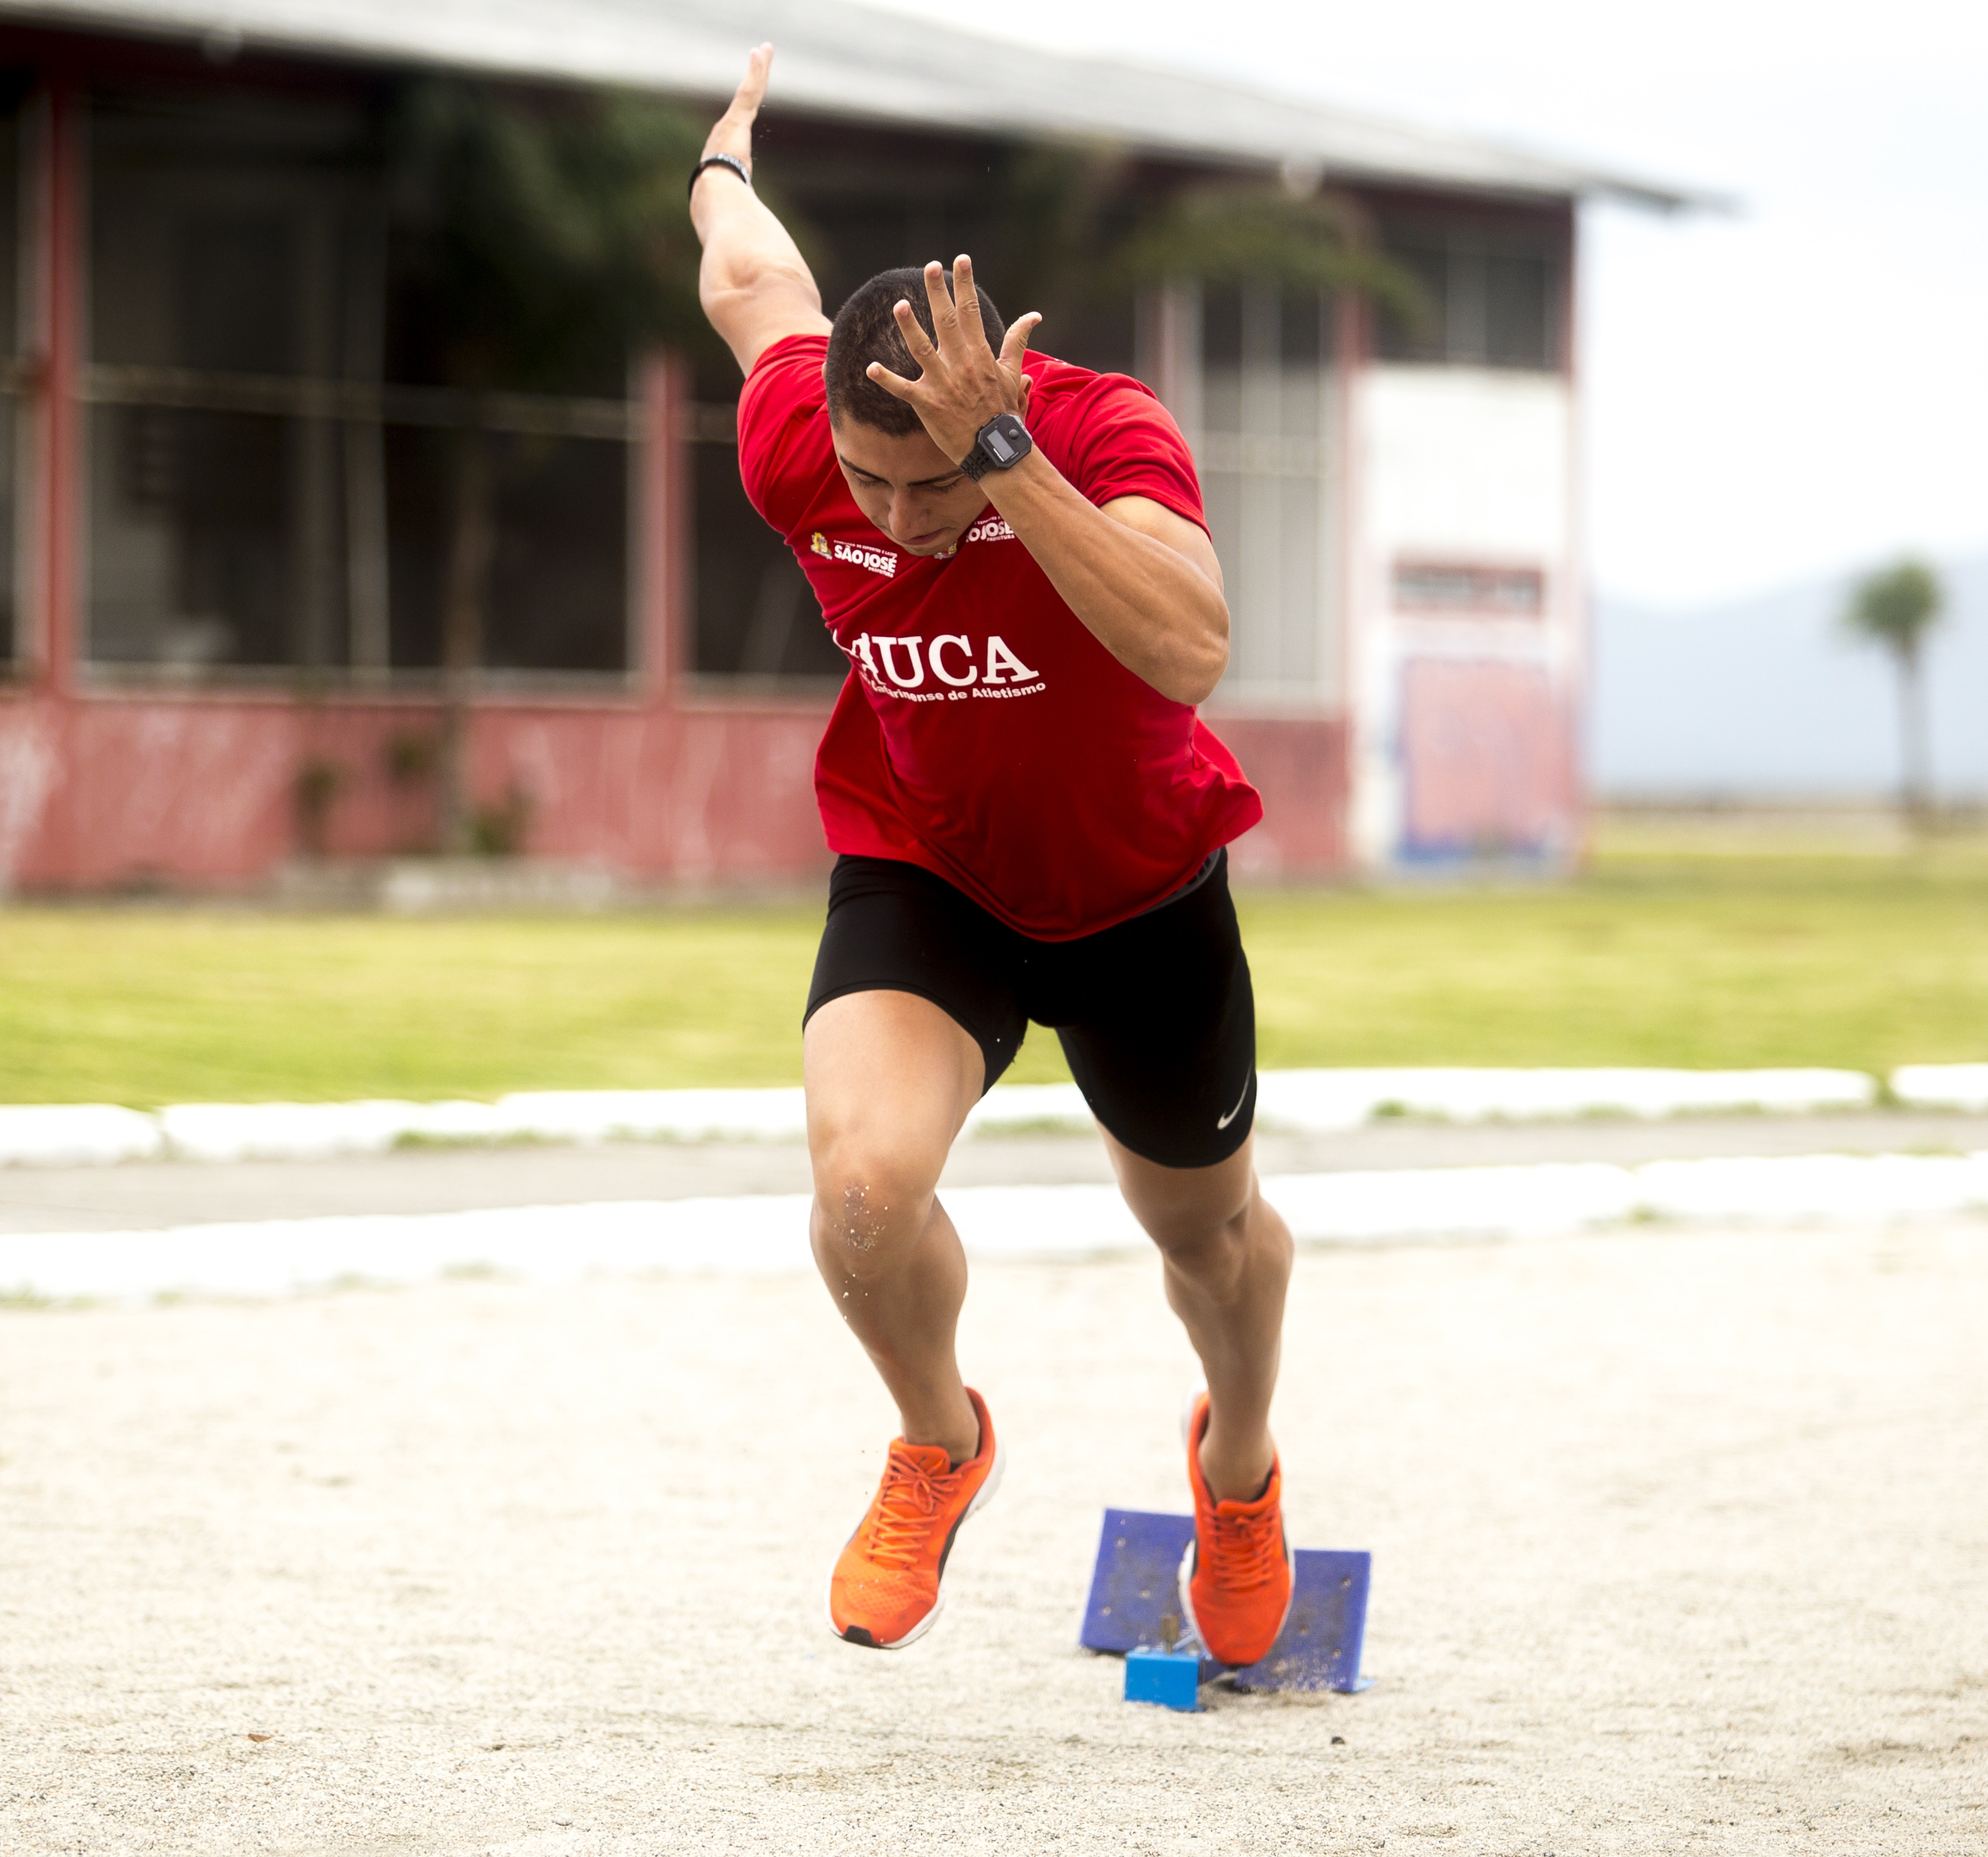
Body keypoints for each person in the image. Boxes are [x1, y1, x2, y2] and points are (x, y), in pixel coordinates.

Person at [686, 45, 1298, 1665]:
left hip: (1138, 893)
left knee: (1208, 1243)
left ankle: (1235, 1475)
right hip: (930, 869)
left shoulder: (1095, 435)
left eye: (927, 484)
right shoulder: (796, 442)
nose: (895, 523)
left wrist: (1009, 470)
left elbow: (1190, 648)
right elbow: (749, 279)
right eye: (869, 485)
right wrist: (724, 156)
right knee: (862, 1197)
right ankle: (940, 1443)